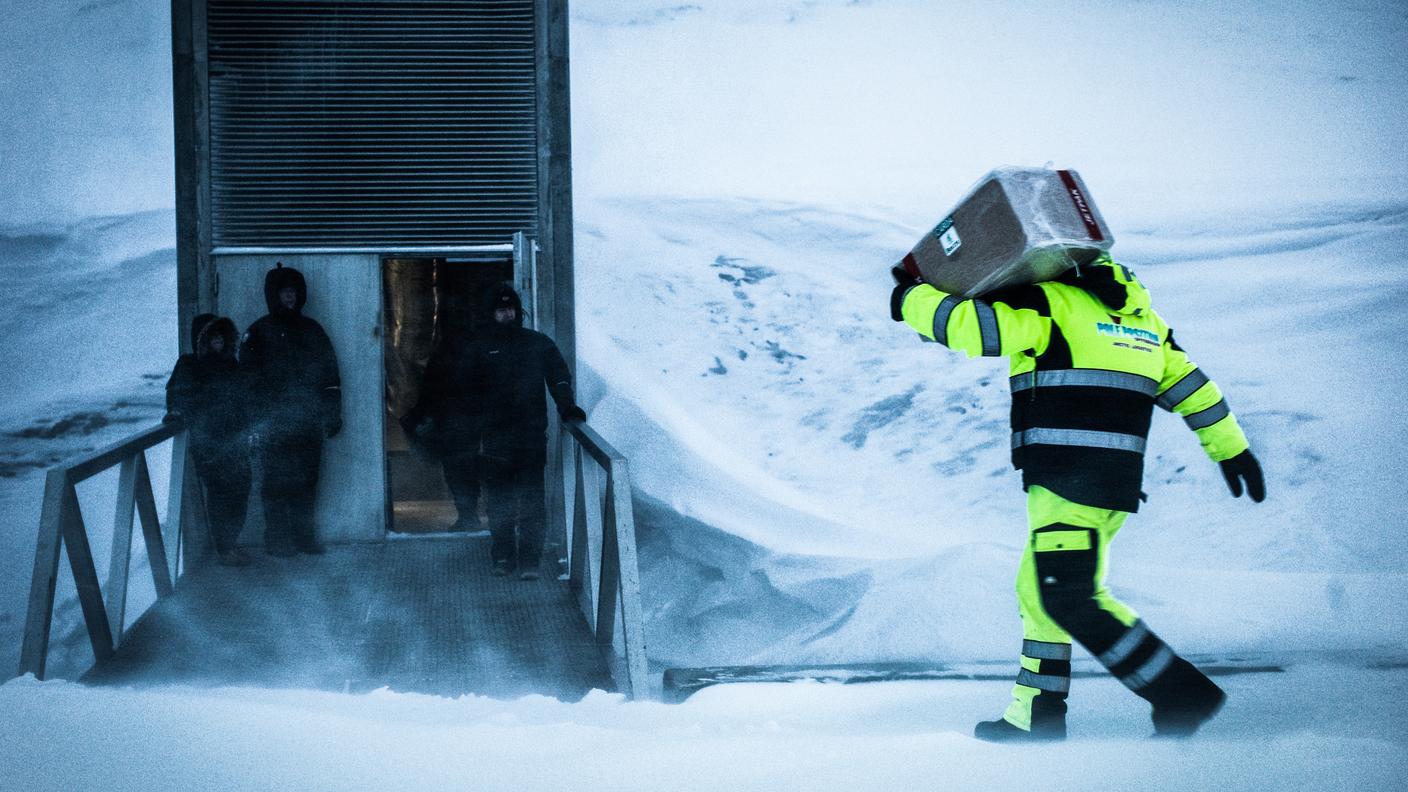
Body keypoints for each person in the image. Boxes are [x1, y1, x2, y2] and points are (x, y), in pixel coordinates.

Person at [890, 254, 1265, 742]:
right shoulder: (1145, 325)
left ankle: (1178, 691)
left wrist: (910, 297)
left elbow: (976, 329)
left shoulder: (1052, 304)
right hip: (1113, 485)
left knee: (1068, 595)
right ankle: (1036, 716)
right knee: (1038, 590)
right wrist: (1232, 449)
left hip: (1067, 481)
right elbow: (1195, 389)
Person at [438, 283, 585, 580]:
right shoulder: (478, 348)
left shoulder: (537, 343)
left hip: (530, 439)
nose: (506, 314)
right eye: (500, 309)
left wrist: (567, 407)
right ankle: (503, 556)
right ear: (491, 313)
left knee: (532, 500)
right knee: (500, 501)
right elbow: (461, 392)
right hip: (494, 441)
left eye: (511, 309)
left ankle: (530, 560)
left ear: (518, 311)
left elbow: (558, 378)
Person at [239, 263, 342, 557]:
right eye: (284, 293)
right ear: (274, 296)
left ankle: (304, 537)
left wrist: (332, 413)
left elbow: (330, 377)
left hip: (308, 423)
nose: (290, 298)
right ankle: (277, 539)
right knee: (275, 483)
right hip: (275, 425)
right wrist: (255, 421)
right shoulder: (258, 333)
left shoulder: (313, 331)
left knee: (307, 482)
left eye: (293, 292)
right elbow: (247, 382)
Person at [165, 314, 253, 567]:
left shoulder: (231, 365)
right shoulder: (189, 365)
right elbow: (178, 393)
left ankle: (230, 543)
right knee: (221, 494)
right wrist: (176, 413)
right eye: (212, 336)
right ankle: (224, 549)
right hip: (210, 444)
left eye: (221, 336)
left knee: (241, 491)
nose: (218, 341)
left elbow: (244, 401)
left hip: (236, 441)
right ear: (201, 339)